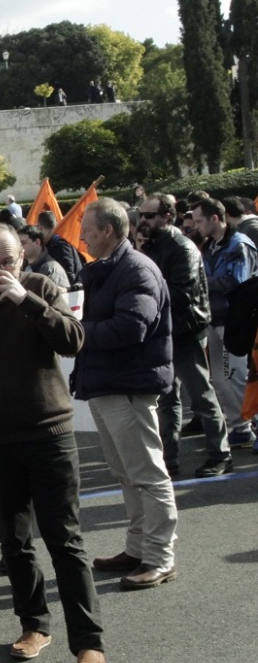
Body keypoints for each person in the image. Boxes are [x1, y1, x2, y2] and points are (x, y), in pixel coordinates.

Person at [0, 223, 106, 663]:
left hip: (49, 432)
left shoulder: (41, 287)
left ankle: (88, 643)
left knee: (64, 540)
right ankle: (34, 624)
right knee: (13, 541)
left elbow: (73, 340)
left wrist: (26, 300)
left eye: (7, 262)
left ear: (22, 257)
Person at [75, 199, 178, 590]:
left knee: (147, 475)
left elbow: (130, 328)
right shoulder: (110, 269)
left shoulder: (135, 270)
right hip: (110, 385)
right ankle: (138, 549)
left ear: (108, 230)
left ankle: (159, 557)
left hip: (128, 386)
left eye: (87, 229)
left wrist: (76, 332)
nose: (81, 237)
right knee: (127, 474)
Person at [137, 193, 231, 477]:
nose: (143, 220)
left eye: (149, 215)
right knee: (166, 398)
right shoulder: (153, 246)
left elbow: (182, 293)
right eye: (141, 215)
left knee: (200, 395)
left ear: (167, 216)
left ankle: (220, 454)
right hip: (165, 331)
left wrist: (146, 291)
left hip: (185, 330)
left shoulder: (181, 247)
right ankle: (169, 459)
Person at [194, 196, 258, 448]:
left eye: (200, 221)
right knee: (221, 380)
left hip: (236, 321)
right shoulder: (210, 246)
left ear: (215, 218)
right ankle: (240, 427)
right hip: (215, 318)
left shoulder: (238, 244)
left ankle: (253, 424)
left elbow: (236, 282)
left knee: (238, 376)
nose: (196, 226)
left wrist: (199, 281)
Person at [35, 210, 84, 287]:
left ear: (40, 227)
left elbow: (69, 275)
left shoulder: (60, 245)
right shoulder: (51, 243)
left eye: (37, 227)